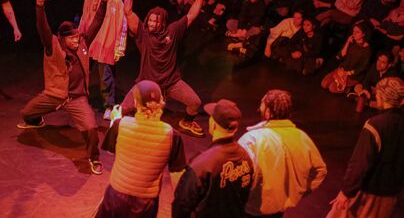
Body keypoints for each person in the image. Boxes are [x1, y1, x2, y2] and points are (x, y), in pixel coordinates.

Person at [17, 0, 111, 175]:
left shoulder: (83, 42)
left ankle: (94, 157)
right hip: (55, 95)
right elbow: (42, 27)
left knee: (91, 128)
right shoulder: (52, 45)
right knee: (26, 113)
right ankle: (36, 121)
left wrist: (103, 2)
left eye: (77, 36)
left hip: (77, 99)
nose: (77, 40)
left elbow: (97, 22)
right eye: (72, 38)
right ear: (62, 38)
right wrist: (39, 6)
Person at [121, 0, 211, 137]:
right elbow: (128, 11)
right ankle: (135, 121)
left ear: (162, 22)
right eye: (150, 20)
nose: (152, 23)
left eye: (156, 20)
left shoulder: (173, 31)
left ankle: (187, 121)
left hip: (171, 83)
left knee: (195, 103)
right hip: (147, 83)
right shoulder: (143, 34)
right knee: (124, 109)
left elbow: (192, 14)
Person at [95, 80, 186, 217]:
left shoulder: (121, 125)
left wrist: (115, 121)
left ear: (136, 103)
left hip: (116, 196)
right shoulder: (171, 134)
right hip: (145, 203)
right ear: (161, 102)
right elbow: (177, 174)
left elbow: (111, 150)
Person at [238, 89, 327, 217]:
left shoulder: (252, 139)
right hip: (279, 208)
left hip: (252, 207)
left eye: (261, 108)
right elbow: (320, 170)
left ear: (268, 112)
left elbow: (238, 175)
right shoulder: (302, 137)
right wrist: (301, 190)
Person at [327, 77, 404, 218]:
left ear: (380, 96)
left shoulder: (376, 125)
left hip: (368, 192)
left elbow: (360, 162)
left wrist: (346, 192)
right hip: (391, 194)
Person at [172, 99, 253, 218]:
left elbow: (182, 204)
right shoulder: (245, 157)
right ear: (235, 128)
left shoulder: (202, 164)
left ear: (213, 124)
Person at [79, 0, 127, 113]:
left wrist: (119, 47)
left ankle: (108, 106)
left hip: (107, 44)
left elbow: (122, 25)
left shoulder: (116, 2)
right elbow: (84, 18)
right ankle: (79, 101)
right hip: (91, 42)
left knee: (106, 77)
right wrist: (79, 37)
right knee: (82, 71)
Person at [321, 23, 371, 94]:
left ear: (363, 34)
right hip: (341, 70)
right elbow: (340, 56)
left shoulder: (367, 50)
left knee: (332, 88)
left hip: (352, 75)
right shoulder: (351, 42)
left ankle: (348, 88)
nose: (354, 34)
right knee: (324, 84)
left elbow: (362, 68)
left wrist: (347, 73)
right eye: (354, 31)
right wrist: (347, 42)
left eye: (357, 32)